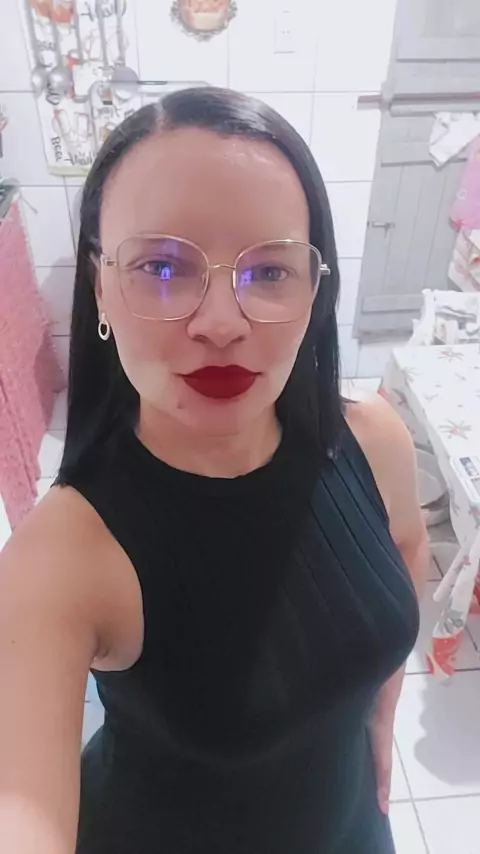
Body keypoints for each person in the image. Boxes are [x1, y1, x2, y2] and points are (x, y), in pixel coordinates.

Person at [0, 87, 428, 854]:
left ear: (315, 288)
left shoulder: (371, 439)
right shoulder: (60, 558)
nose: (223, 323)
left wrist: (379, 711)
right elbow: (21, 808)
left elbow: (407, 547)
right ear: (100, 287)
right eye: (162, 267)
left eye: (270, 272)